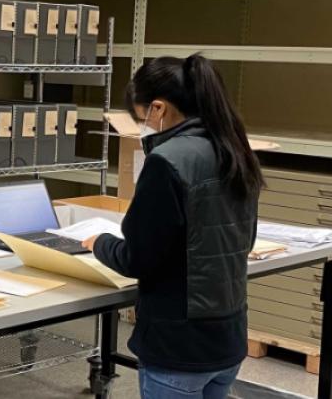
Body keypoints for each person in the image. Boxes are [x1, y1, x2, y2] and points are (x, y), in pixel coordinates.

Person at [82, 54, 263, 399]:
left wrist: (99, 242)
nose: (142, 127)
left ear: (158, 109)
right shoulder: (236, 150)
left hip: (179, 347)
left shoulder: (168, 161)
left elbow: (137, 258)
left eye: (140, 118)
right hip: (228, 337)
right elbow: (246, 238)